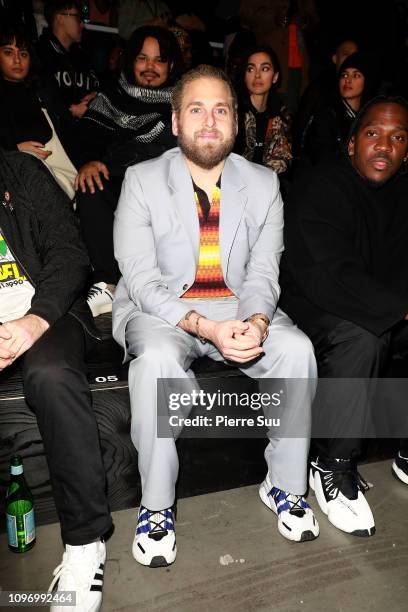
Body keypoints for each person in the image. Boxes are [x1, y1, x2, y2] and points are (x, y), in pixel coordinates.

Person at [112, 64, 319, 568]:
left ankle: (285, 485)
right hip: (160, 307)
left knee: (297, 349)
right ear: (176, 122)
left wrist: (259, 323)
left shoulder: (264, 183)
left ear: (235, 120)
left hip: (236, 303)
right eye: (196, 110)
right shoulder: (141, 179)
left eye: (221, 110)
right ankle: (156, 505)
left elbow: (265, 274)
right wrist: (204, 328)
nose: (210, 121)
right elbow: (140, 279)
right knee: (157, 360)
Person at [280, 96, 408, 537]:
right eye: (373, 133)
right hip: (313, 306)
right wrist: (398, 307)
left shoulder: (403, 192)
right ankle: (332, 464)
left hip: (375, 301)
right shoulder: (321, 184)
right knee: (364, 338)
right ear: (351, 143)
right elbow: (329, 270)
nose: (384, 146)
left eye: (397, 138)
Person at [0, 147, 112, 611]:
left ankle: (86, 543)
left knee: (50, 374)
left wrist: (32, 322)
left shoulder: (20, 170)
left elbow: (69, 251)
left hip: (44, 311)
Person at [75, 25, 183, 317]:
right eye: (142, 59)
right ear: (131, 61)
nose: (150, 67)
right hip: (115, 181)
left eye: (159, 60)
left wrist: (111, 162)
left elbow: (165, 149)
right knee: (90, 184)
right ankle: (109, 282)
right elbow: (86, 139)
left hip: (160, 185)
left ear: (170, 65)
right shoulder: (110, 95)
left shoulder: (182, 102)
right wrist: (90, 162)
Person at [0, 22, 78, 200]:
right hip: (13, 179)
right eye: (8, 52)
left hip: (56, 175)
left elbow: (70, 133)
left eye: (23, 53)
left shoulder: (42, 91)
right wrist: (15, 149)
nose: (17, 60)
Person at [301, 52, 372, 166]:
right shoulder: (326, 114)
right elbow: (320, 156)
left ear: (367, 82)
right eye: (344, 75)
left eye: (356, 75)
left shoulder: (370, 116)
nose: (348, 80)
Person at [235, 45, 292, 175]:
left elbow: (283, 161)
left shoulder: (282, 115)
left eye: (265, 68)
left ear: (275, 77)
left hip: (268, 186)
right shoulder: (233, 112)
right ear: (244, 76)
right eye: (250, 69)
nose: (257, 75)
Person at [36, 0, 99, 118]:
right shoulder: (40, 54)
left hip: (84, 130)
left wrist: (97, 95)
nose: (82, 24)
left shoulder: (83, 55)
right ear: (60, 18)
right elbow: (38, 100)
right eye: (78, 18)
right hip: (56, 131)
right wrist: (71, 110)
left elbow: (99, 85)